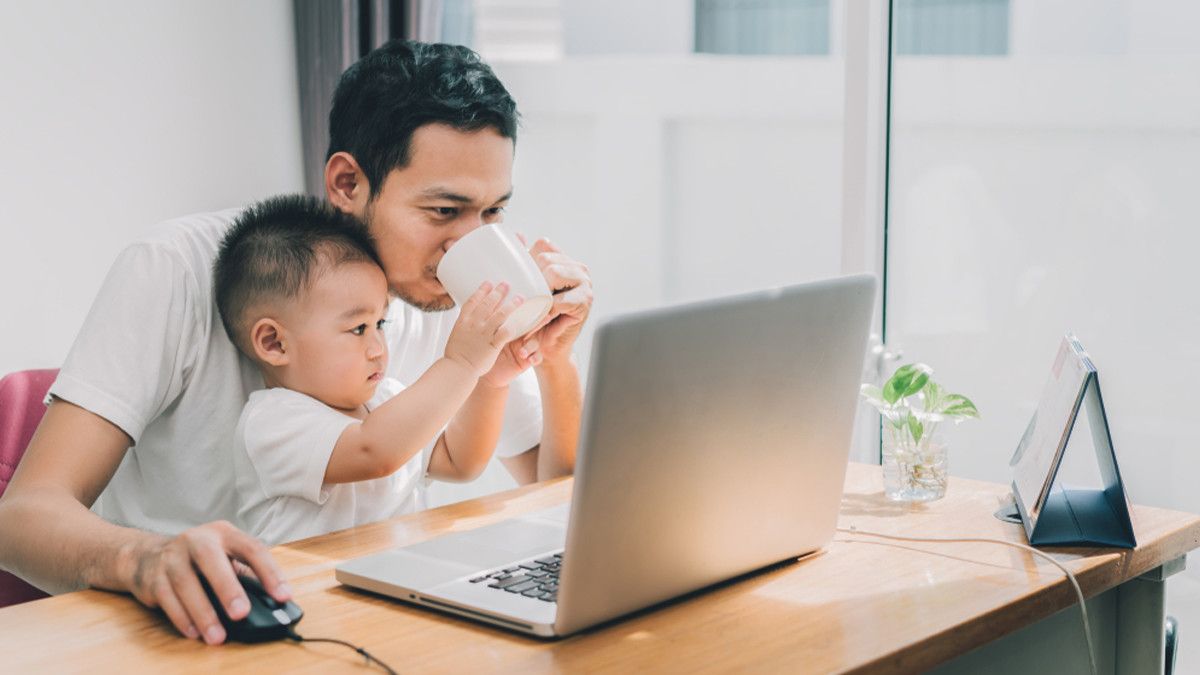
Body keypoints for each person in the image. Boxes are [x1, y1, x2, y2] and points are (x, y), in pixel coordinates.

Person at [0, 40, 591, 646]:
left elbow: (558, 494)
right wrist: (144, 559)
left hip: (364, 624)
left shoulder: (451, 293)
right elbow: (21, 519)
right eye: (443, 210)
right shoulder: (177, 266)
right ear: (346, 182)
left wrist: (555, 359)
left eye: (493, 212)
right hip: (186, 637)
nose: (468, 242)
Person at [215, 194, 534, 545]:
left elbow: (460, 462)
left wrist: (489, 379)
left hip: (391, 582)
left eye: (380, 322)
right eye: (358, 329)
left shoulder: (387, 398)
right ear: (275, 344)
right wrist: (461, 362)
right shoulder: (273, 422)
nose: (378, 347)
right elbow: (375, 451)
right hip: (308, 595)